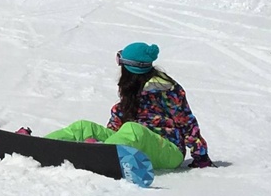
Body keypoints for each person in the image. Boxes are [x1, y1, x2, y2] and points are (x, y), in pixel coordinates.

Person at [18, 42, 212, 170]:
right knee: (83, 126)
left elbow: (188, 123)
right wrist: (99, 135)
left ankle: (99, 156)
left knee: (134, 130)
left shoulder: (169, 92)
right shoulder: (131, 92)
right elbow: (117, 128)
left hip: (169, 152)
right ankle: (35, 148)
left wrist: (200, 156)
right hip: (136, 144)